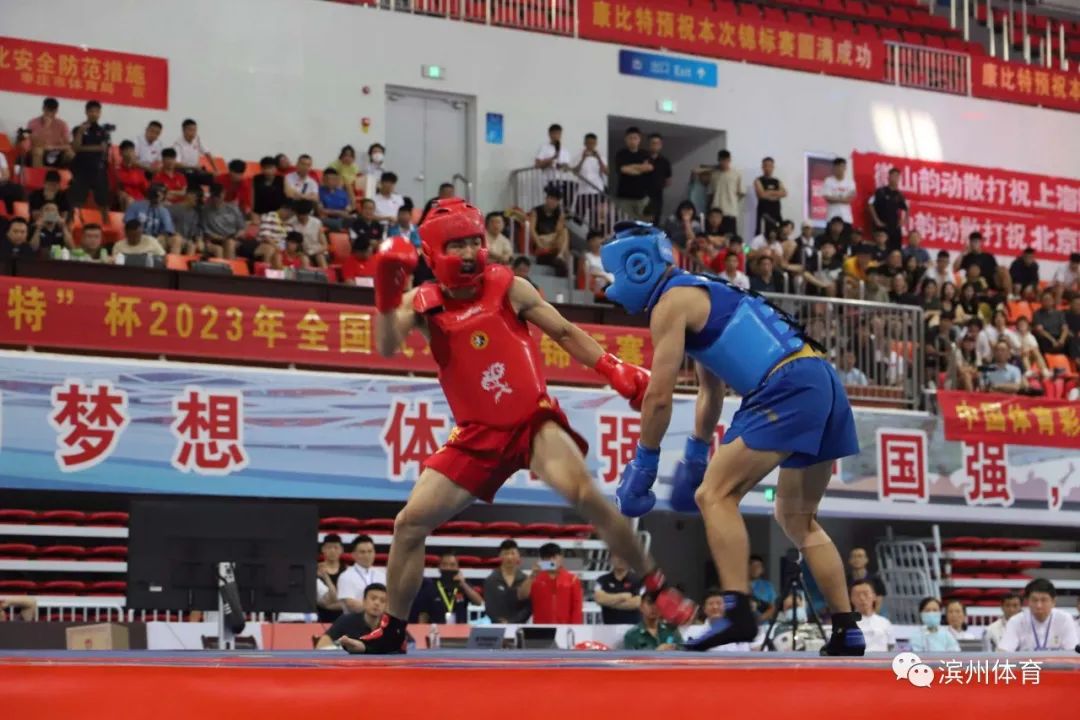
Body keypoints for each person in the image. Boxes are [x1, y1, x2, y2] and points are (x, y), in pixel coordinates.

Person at [344, 199, 690, 654]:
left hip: (531, 421)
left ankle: (656, 585)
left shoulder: (508, 286)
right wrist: (387, 297)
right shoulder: (423, 304)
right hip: (475, 436)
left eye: (474, 241)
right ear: (433, 253)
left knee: (586, 494)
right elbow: (388, 345)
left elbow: (564, 332)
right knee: (408, 523)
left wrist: (613, 368)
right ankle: (392, 632)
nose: (468, 253)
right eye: (456, 245)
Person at [599, 222, 865, 655]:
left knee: (714, 496)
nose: (612, 288)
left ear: (638, 266)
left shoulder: (669, 304)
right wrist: (695, 454)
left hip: (785, 385)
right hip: (821, 380)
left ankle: (737, 611)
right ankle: (847, 628)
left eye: (615, 275)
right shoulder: (704, 291)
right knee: (796, 518)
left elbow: (659, 397)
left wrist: (643, 464)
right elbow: (711, 390)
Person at [999, 578, 1079, 652]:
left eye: (1044, 600)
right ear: (1027, 601)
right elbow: (1003, 652)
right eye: (1034, 600)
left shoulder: (1064, 619)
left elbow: (1073, 652)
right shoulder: (1016, 621)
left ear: (1053, 601)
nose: (1039, 605)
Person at [410, 551, 484, 624]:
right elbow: (423, 615)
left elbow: (480, 603)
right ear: (439, 567)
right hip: (437, 630)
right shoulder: (429, 588)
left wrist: (463, 584)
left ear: (458, 567)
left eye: (452, 565)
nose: (448, 568)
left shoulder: (464, 587)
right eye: (444, 564)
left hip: (460, 630)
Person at [315, 583, 387, 649]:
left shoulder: (390, 626)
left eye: (382, 601)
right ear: (364, 601)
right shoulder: (346, 621)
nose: (377, 603)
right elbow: (321, 645)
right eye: (373, 598)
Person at [527, 543, 584, 624]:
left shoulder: (573, 580)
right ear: (542, 561)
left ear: (561, 558)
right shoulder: (535, 580)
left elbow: (577, 609)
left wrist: (575, 629)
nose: (551, 561)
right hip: (541, 627)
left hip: (565, 628)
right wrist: (533, 575)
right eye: (547, 558)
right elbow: (523, 596)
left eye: (554, 557)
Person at [482, 539, 531, 624]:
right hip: (498, 627)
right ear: (500, 556)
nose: (509, 557)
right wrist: (500, 622)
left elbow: (528, 607)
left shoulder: (525, 580)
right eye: (506, 553)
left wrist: (513, 622)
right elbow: (489, 607)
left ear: (518, 556)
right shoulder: (491, 580)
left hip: (519, 626)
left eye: (512, 553)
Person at [335, 536, 386, 614]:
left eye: (370, 551)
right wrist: (376, 608)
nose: (367, 555)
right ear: (353, 555)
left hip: (379, 619)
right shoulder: (346, 576)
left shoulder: (382, 575)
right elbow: (350, 603)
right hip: (355, 619)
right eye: (362, 552)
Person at [593, 555, 643, 624]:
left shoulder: (639, 580)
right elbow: (599, 599)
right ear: (611, 560)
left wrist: (609, 602)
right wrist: (623, 596)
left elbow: (637, 603)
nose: (621, 560)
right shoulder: (602, 580)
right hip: (609, 627)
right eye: (617, 556)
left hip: (633, 627)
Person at [850, 579, 893, 652]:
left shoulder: (885, 623)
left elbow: (891, 647)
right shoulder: (846, 623)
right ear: (851, 599)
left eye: (866, 594)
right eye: (857, 595)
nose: (862, 598)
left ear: (874, 596)